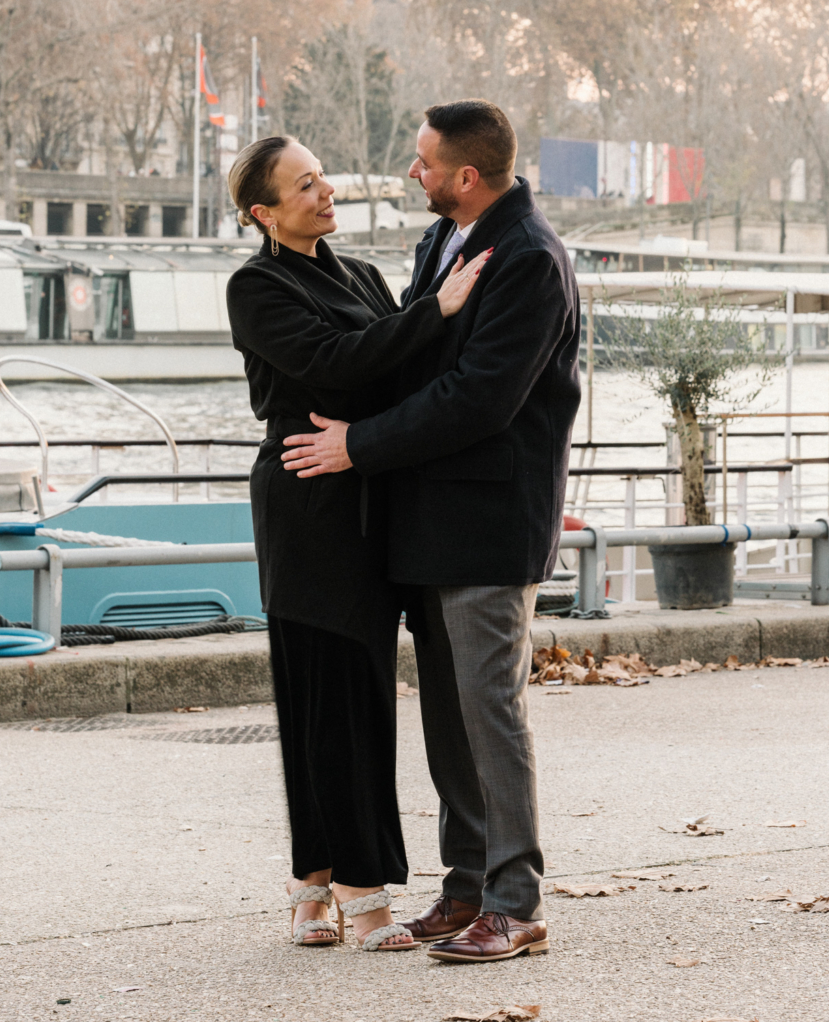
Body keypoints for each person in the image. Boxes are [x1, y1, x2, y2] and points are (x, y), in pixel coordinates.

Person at [281, 100, 580, 964]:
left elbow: (480, 398)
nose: (410, 173)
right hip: (431, 523)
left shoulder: (528, 259)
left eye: (422, 163)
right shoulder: (444, 243)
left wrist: (354, 448)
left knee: (489, 710)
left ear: (465, 176)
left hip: (489, 520)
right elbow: (415, 359)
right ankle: (465, 887)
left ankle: (514, 902)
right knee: (450, 716)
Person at [224, 135, 490, 953]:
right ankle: (361, 890)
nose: (325, 191)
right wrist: (435, 310)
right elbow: (333, 363)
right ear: (263, 212)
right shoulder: (255, 286)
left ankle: (313, 885)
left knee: (352, 691)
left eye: (321, 177)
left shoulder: (362, 275)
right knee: (323, 692)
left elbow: (392, 374)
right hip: (307, 499)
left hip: (369, 495)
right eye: (304, 186)